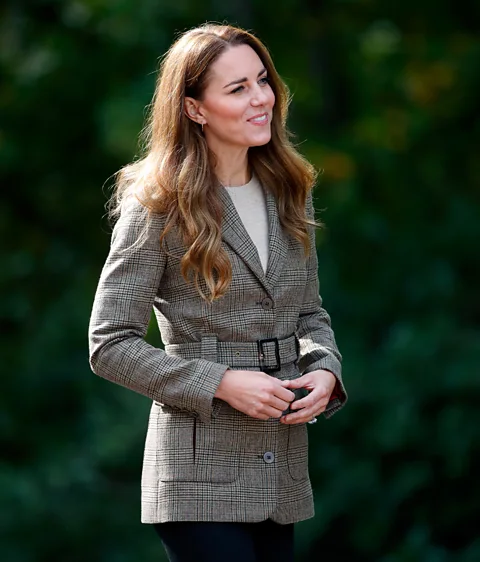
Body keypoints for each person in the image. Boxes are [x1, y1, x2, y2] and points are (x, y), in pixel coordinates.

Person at [88, 22, 347, 562]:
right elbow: (109, 343)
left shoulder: (289, 192)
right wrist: (223, 383)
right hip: (195, 476)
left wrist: (325, 369)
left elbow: (310, 314)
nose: (261, 100)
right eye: (237, 89)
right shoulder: (158, 205)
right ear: (194, 109)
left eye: (262, 81)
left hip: (282, 468)